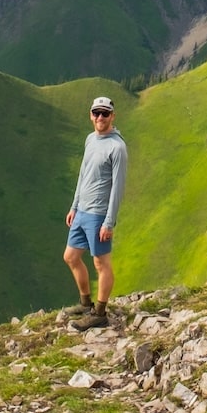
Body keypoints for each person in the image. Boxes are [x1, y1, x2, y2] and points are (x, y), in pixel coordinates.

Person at [65, 95, 127, 328]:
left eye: (105, 113)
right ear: (91, 115)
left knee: (101, 264)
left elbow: (118, 187)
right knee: (71, 257)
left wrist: (108, 222)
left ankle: (99, 314)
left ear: (112, 116)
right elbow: (83, 175)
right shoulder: (91, 139)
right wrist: (74, 206)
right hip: (82, 210)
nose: (100, 117)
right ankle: (85, 303)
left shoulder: (117, 147)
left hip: (99, 214)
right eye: (96, 113)